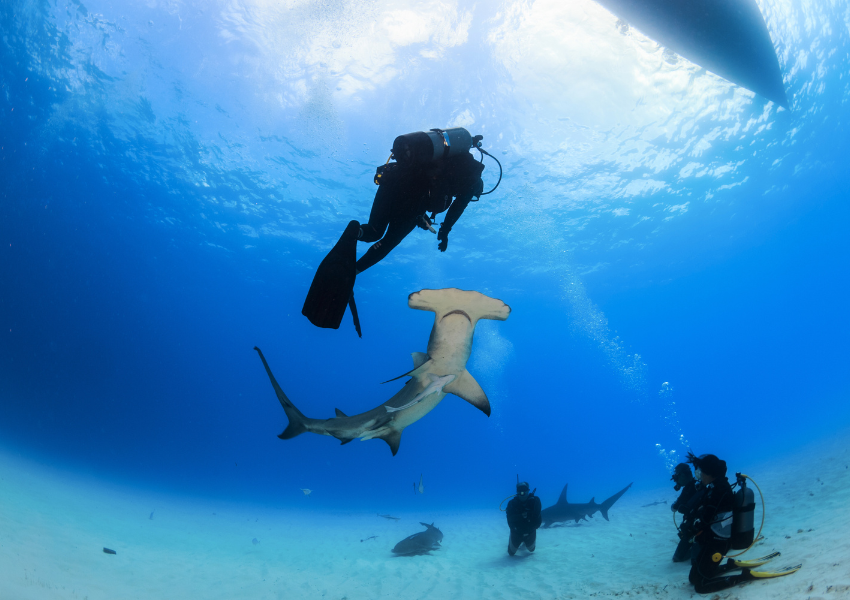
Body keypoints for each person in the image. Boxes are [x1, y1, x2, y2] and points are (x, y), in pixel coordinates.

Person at [355, 143, 485, 273]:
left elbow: (421, 188)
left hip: (392, 178)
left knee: (374, 231)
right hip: (410, 199)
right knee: (389, 242)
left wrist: (421, 215)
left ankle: (355, 232)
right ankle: (354, 270)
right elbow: (457, 208)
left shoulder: (441, 161)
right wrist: (444, 231)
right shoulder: (472, 182)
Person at [671, 462, 701, 562]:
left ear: (683, 475)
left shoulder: (691, 488)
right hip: (698, 525)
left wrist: (677, 506)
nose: (676, 479)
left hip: (698, 527)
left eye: (677, 476)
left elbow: (677, 506)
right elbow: (679, 503)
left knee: (678, 558)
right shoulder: (695, 485)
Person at [506, 481, 542, 556]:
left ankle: (525, 543)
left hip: (530, 532)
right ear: (517, 491)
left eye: (524, 489)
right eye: (520, 489)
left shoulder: (535, 501)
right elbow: (509, 520)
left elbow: (538, 518)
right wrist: (521, 516)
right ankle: (515, 540)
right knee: (511, 553)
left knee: (531, 550)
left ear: (528, 490)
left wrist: (532, 527)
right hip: (516, 532)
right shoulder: (512, 503)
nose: (522, 491)